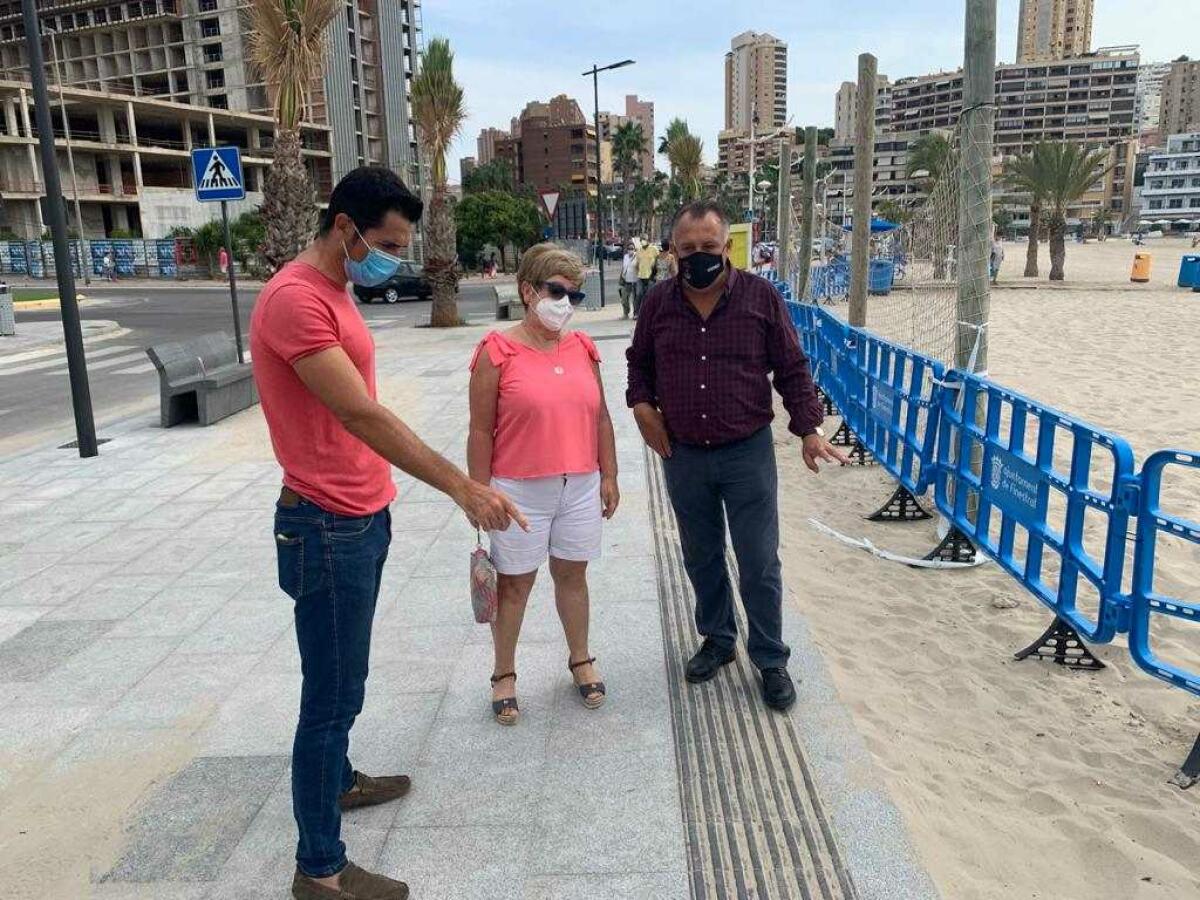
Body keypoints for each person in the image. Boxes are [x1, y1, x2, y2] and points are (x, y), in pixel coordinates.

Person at [250, 166, 526, 900]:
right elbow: (361, 415)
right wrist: (461, 486)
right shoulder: (293, 300)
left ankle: (337, 782)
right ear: (344, 228)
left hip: (359, 515)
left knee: (348, 678)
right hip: (324, 524)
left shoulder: (335, 287)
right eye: (387, 243)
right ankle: (321, 872)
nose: (395, 259)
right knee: (331, 695)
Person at [626, 200, 848, 712]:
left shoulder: (761, 297)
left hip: (747, 452)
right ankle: (719, 640)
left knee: (758, 561)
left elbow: (791, 365)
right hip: (682, 454)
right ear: (672, 252)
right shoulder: (658, 303)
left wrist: (809, 429)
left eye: (708, 247)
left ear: (727, 248)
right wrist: (641, 405)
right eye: (688, 249)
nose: (698, 256)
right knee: (700, 556)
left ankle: (770, 659)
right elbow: (639, 364)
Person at [468, 243, 619, 726]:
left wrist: (609, 473)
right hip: (517, 489)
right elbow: (479, 429)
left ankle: (580, 658)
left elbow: (601, 417)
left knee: (573, 576)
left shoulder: (583, 348)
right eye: (556, 291)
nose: (565, 303)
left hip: (578, 483)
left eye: (573, 294)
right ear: (528, 290)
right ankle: (503, 674)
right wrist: (477, 492)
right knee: (515, 585)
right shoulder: (497, 351)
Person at [634, 237, 659, 316]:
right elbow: (637, 264)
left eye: (644, 240)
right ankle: (636, 313)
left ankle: (649, 313)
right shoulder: (639, 251)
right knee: (638, 294)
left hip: (650, 276)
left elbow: (658, 259)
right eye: (641, 240)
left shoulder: (653, 249)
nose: (642, 241)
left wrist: (656, 273)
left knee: (649, 295)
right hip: (641, 276)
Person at [619, 242, 639, 319]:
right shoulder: (625, 257)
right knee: (624, 298)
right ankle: (626, 313)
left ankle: (635, 314)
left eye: (632, 248)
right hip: (626, 281)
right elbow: (623, 268)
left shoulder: (637, 256)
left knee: (635, 299)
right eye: (629, 249)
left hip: (635, 280)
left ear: (634, 249)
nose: (630, 250)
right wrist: (621, 277)